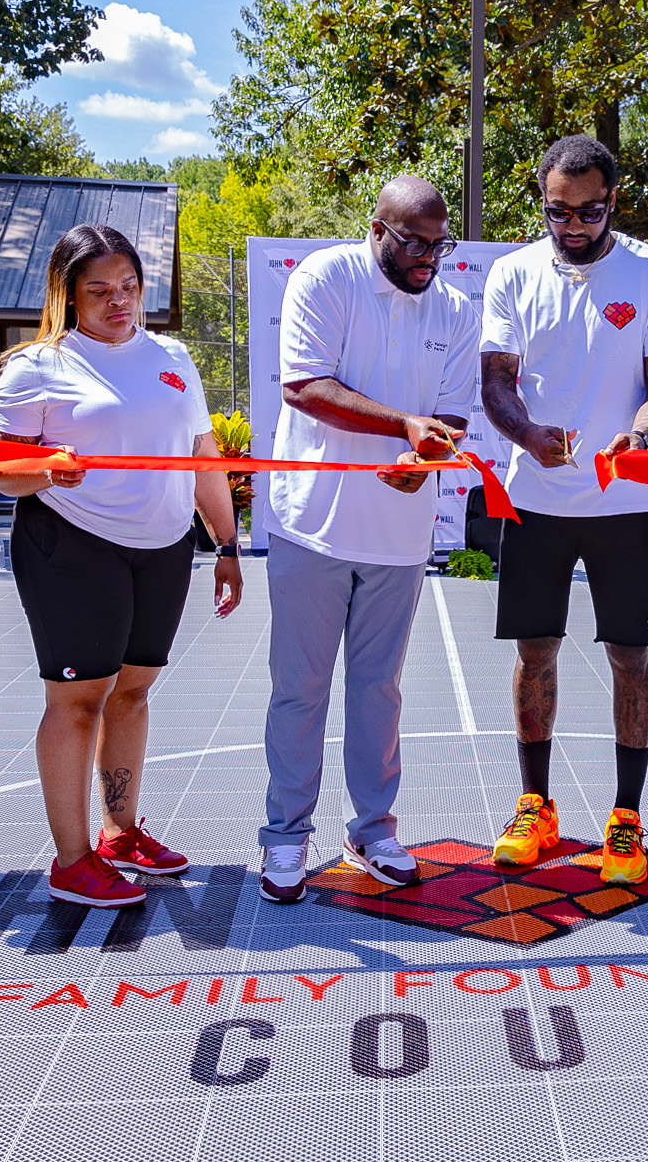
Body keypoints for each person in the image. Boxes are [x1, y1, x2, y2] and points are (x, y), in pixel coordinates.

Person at [0, 225, 243, 908]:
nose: (118, 301)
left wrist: (226, 546)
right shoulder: (36, 365)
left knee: (132, 693)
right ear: (68, 294)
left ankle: (119, 834)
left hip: (162, 548)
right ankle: (71, 863)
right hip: (72, 545)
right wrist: (41, 469)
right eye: (99, 291)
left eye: (128, 287)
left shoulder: (172, 357)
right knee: (77, 704)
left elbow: (201, 457)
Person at [255, 178, 479, 903]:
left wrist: (429, 457)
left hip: (400, 538)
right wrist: (403, 428)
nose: (427, 257)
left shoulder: (452, 308)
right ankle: (286, 837)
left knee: (378, 692)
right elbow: (304, 388)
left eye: (438, 244)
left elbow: (451, 416)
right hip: (311, 526)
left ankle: (372, 829)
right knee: (299, 692)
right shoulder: (327, 277)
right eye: (413, 242)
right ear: (376, 229)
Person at [479, 135, 648, 884]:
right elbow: (497, 382)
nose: (571, 225)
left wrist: (639, 434)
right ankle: (535, 805)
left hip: (621, 499)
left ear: (614, 203)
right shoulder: (511, 273)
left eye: (588, 211)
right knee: (534, 651)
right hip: (535, 498)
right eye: (556, 211)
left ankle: (625, 817)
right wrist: (527, 435)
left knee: (630, 658)